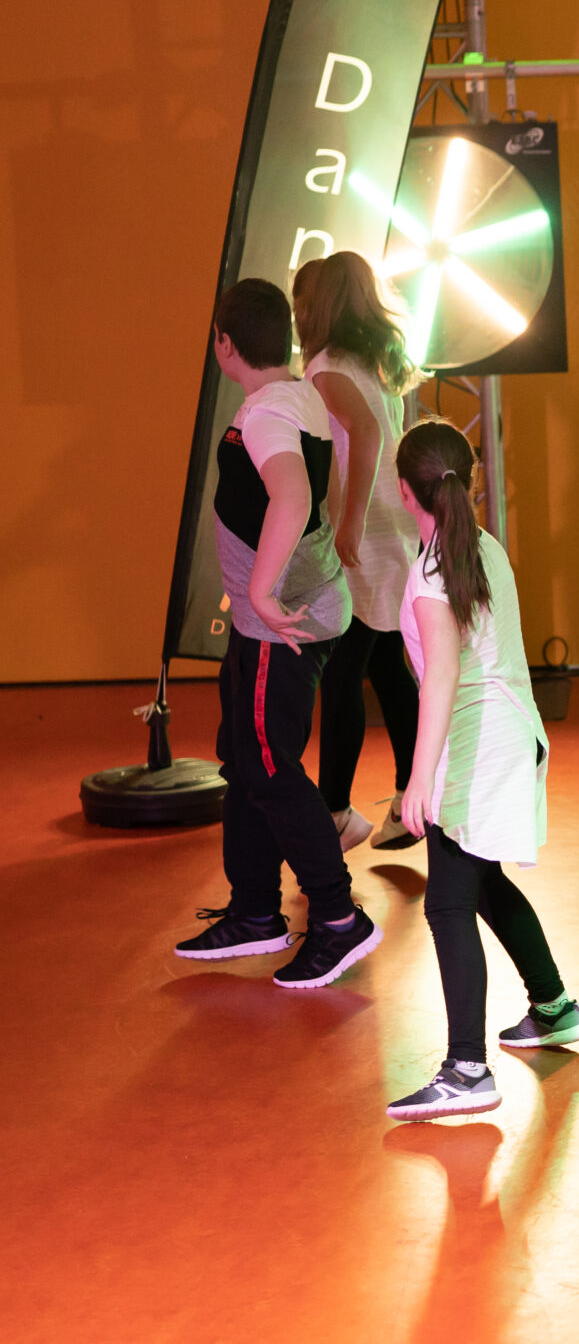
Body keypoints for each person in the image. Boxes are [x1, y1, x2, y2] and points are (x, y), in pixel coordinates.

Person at [172, 278, 375, 987]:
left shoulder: (266, 413)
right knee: (245, 757)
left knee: (267, 764)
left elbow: (292, 493)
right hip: (275, 620)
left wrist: (258, 591)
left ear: (224, 343)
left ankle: (339, 920)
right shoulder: (295, 394)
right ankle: (256, 910)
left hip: (278, 626)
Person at [385, 418, 579, 1120]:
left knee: (447, 903)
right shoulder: (482, 545)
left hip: (478, 745)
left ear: (404, 492)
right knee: (482, 882)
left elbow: (441, 675)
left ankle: (467, 1068)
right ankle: (554, 1006)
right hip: (508, 733)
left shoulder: (431, 573)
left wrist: (418, 779)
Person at [294, 251, 424, 853]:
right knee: (385, 666)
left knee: (344, 670)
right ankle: (413, 797)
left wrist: (346, 524)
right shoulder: (370, 363)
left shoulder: (326, 368)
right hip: (390, 526)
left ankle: (335, 811)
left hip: (365, 533)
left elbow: (366, 436)